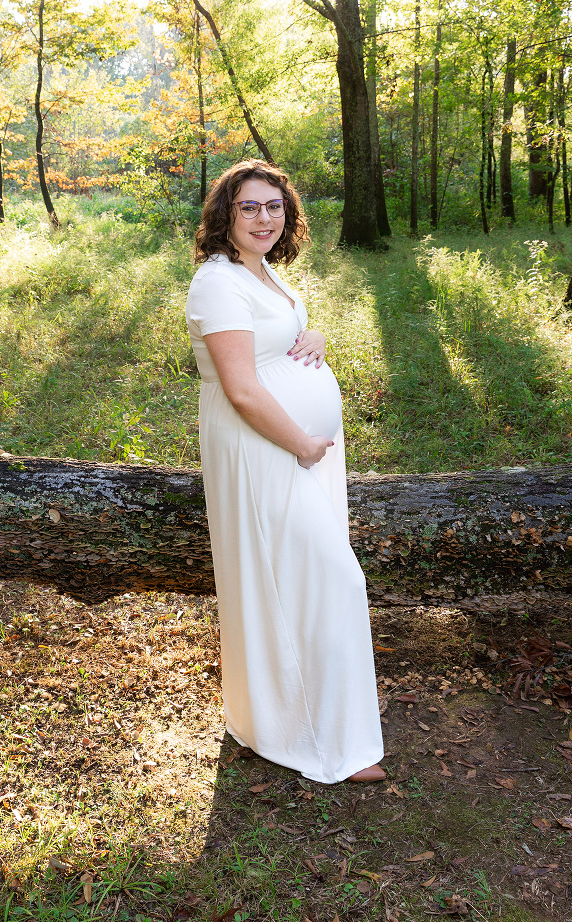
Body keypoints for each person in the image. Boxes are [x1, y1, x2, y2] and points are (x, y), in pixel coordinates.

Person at [185, 160, 385, 785]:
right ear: (226, 214)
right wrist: (301, 443)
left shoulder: (263, 271)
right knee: (331, 580)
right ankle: (328, 743)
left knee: (299, 579)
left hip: (293, 449)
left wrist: (314, 333)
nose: (264, 217)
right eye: (249, 206)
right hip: (262, 449)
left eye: (274, 206)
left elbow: (279, 335)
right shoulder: (217, 282)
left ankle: (287, 719)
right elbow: (242, 389)